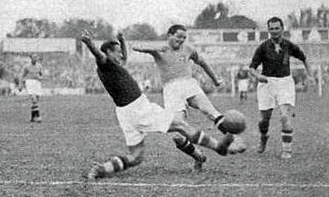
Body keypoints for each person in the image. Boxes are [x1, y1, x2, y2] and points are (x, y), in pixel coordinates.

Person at [80, 30, 236, 179]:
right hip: (138, 109)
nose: (121, 55)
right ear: (108, 53)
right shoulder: (104, 63)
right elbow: (98, 54)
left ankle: (103, 169)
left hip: (125, 113)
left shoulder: (113, 65)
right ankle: (218, 147)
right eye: (118, 51)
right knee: (180, 124)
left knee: (135, 157)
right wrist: (89, 43)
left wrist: (122, 41)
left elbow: (125, 59)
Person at [132, 24, 246, 162]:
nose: (181, 40)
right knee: (178, 131)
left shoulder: (189, 49)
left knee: (210, 111)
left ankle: (235, 141)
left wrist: (215, 79)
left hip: (188, 84)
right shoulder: (160, 50)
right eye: (178, 36)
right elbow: (136, 47)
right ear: (169, 35)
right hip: (171, 90)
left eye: (184, 38)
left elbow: (203, 63)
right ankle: (198, 156)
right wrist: (150, 48)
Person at [249, 17, 312, 159]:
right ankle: (264, 138)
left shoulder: (289, 45)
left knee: (284, 115)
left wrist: (311, 75)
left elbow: (304, 58)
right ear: (268, 30)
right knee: (264, 120)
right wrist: (257, 76)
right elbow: (251, 68)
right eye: (271, 29)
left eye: (277, 28)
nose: (274, 31)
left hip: (285, 82)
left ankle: (287, 150)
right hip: (266, 84)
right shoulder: (263, 47)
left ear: (282, 29)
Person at [21, 54, 44, 123]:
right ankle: (38, 116)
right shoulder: (26, 66)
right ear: (30, 58)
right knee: (34, 100)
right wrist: (20, 85)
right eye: (34, 57)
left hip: (37, 83)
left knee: (35, 101)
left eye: (36, 57)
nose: (35, 58)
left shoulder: (39, 66)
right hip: (29, 83)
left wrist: (41, 78)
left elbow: (42, 75)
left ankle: (32, 118)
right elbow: (23, 75)